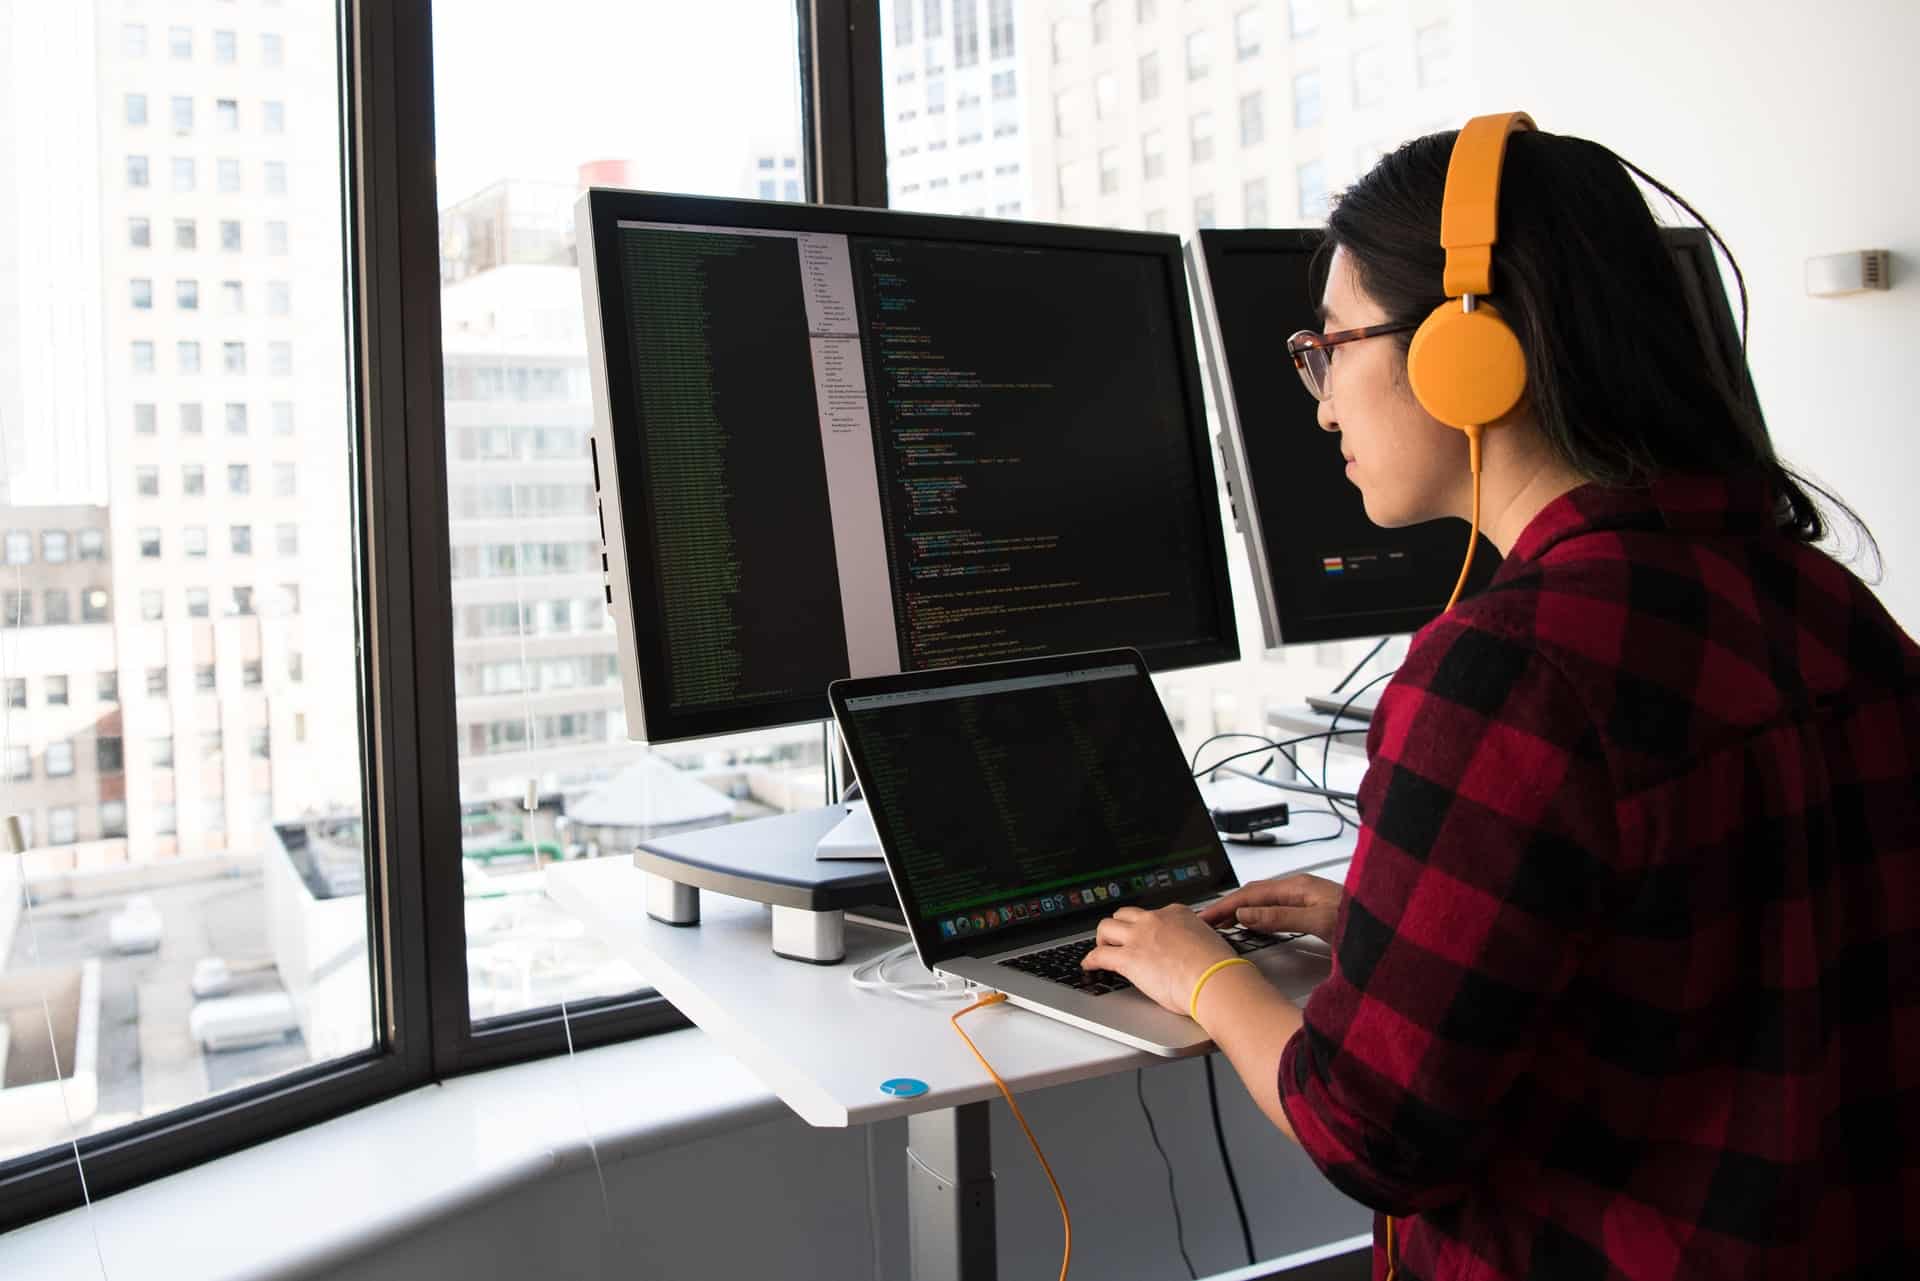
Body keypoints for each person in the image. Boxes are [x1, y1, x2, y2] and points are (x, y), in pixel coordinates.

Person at [1082, 119, 1920, 1279]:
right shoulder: (1828, 600)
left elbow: (1372, 1130)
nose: (1321, 405)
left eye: (1330, 349)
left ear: (1466, 355)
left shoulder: (1511, 669)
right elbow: (1725, 937)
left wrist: (1201, 973)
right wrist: (1391, 925)